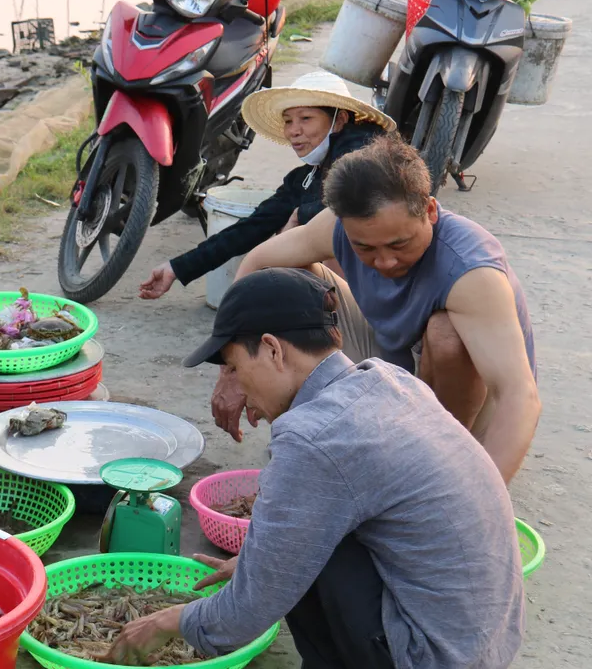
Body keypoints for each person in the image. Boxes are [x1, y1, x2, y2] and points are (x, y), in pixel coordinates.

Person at [106, 268, 525, 669]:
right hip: (484, 648)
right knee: (305, 531)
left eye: (234, 368)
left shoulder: (315, 438)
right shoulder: (387, 380)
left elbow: (246, 614)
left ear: (271, 348)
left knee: (301, 538)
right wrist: (259, 560)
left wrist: (169, 620)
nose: (239, 390)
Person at [212, 135, 539, 484]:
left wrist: (481, 500)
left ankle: (434, 466)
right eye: (364, 248)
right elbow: (258, 262)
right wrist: (234, 370)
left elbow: (519, 396)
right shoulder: (337, 226)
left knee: (446, 334)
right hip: (392, 356)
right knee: (283, 281)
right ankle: (314, 438)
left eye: (400, 244)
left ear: (429, 211)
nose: (384, 261)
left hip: (460, 399)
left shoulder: (472, 273)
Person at [139, 72, 395, 301]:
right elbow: (252, 227)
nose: (294, 131)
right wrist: (178, 268)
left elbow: (357, 202)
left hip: (384, 284)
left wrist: (300, 216)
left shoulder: (364, 152)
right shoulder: (302, 179)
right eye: (288, 121)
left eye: (306, 118)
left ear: (339, 121)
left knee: (323, 233)